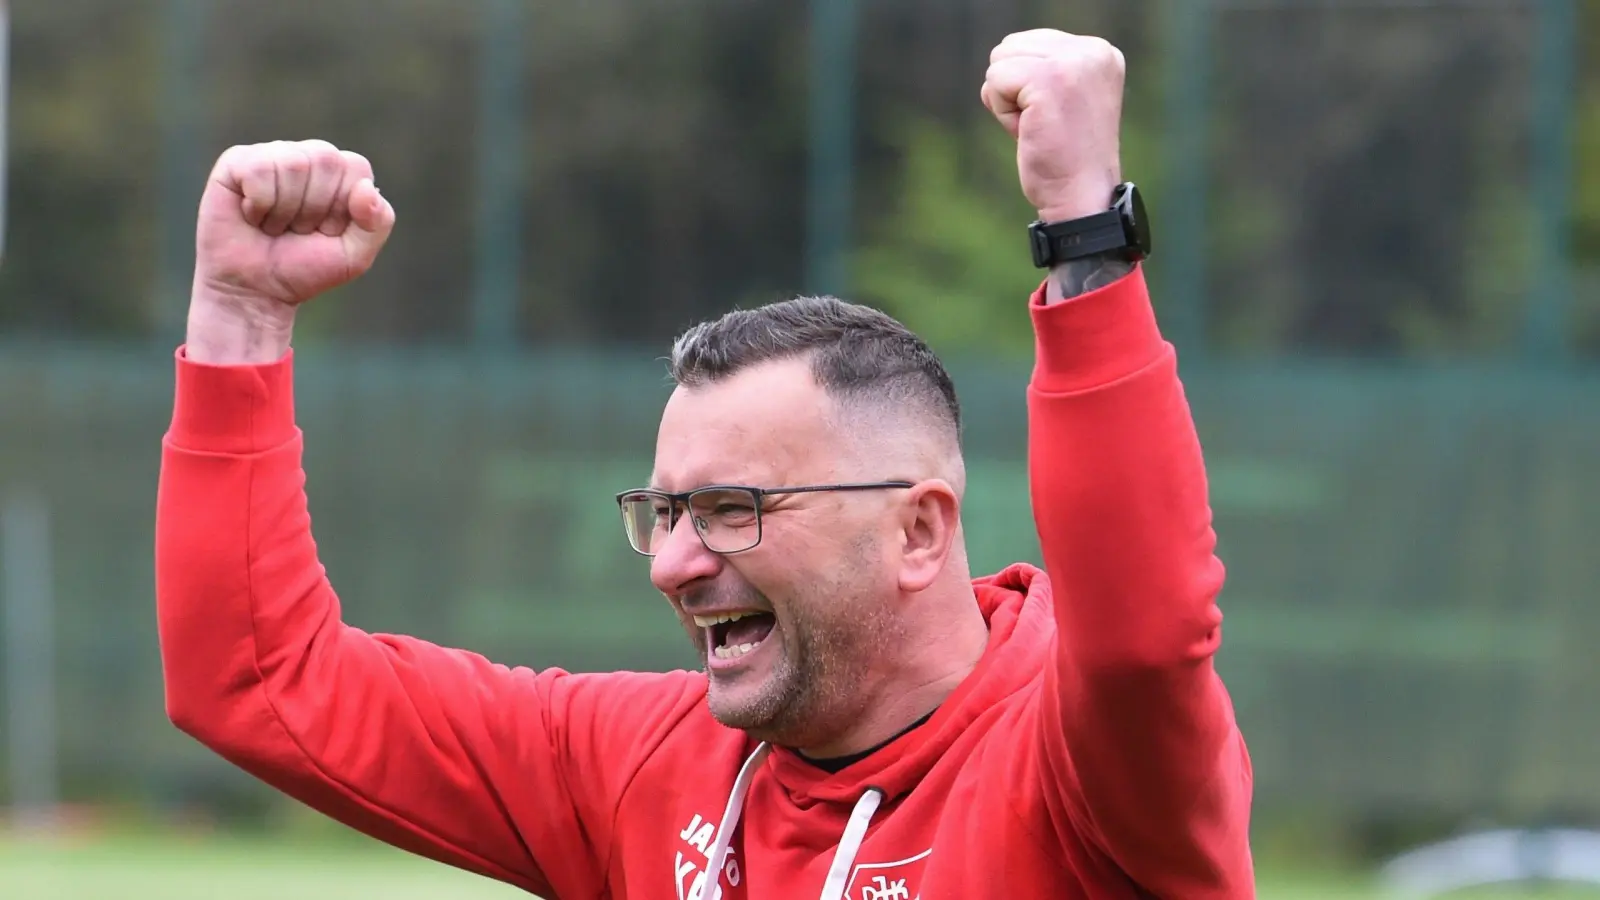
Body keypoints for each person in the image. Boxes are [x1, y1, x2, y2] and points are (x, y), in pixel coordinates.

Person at [156, 28, 1255, 900]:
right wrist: (239, 319)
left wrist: (1083, 237)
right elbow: (256, 680)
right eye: (666, 512)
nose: (673, 565)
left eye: (732, 509)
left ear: (918, 529)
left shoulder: (1084, 776)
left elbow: (1144, 643)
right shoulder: (640, 769)